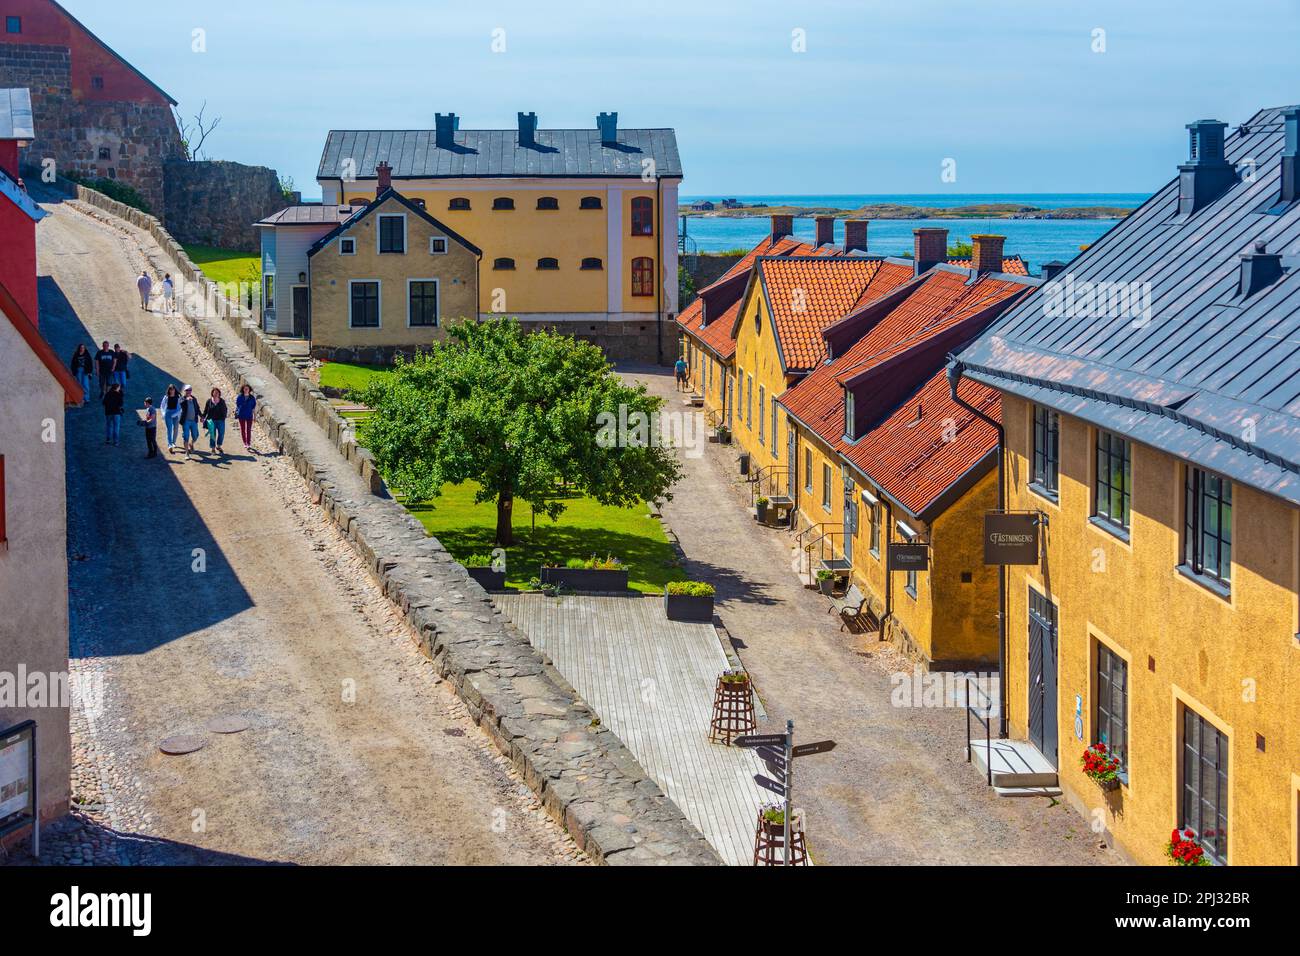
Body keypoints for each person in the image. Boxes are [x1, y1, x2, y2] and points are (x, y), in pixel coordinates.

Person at [201, 387, 228, 455]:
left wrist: (224, 417)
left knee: (221, 434)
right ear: (212, 393)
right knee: (212, 435)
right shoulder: (209, 401)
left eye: (217, 393)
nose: (216, 394)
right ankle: (213, 449)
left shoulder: (222, 401)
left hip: (220, 421)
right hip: (211, 421)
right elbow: (205, 411)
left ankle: (218, 446)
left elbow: (225, 409)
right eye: (214, 392)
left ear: (219, 394)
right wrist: (203, 417)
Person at [178, 384, 202, 459]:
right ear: (184, 391)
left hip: (193, 421)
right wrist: (186, 400)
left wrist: (201, 416)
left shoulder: (194, 399)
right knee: (186, 437)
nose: (188, 391)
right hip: (186, 421)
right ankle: (187, 453)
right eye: (187, 390)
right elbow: (181, 404)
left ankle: (191, 444)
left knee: (195, 435)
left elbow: (197, 408)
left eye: (190, 390)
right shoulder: (182, 399)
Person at [235, 384, 257, 452]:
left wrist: (254, 417)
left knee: (248, 430)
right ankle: (245, 442)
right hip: (241, 415)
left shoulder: (252, 398)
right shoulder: (239, 397)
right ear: (243, 389)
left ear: (249, 389)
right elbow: (238, 406)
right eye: (245, 388)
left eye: (247, 388)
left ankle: (248, 443)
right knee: (243, 429)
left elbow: (253, 408)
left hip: (249, 416)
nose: (246, 390)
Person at [161, 384, 181, 453]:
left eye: (173, 389)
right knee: (169, 429)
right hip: (168, 414)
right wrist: (163, 413)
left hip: (176, 414)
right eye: (170, 389)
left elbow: (180, 407)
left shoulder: (178, 397)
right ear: (169, 390)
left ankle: (173, 442)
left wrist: (176, 414)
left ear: (175, 390)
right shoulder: (166, 397)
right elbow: (162, 405)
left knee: (175, 428)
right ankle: (169, 445)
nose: (172, 391)